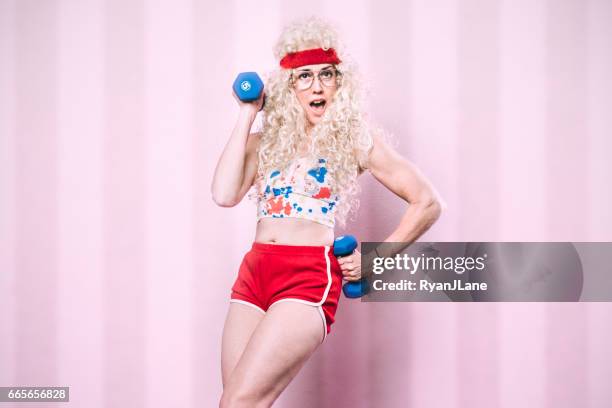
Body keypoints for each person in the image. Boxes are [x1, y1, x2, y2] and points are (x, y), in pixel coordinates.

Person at [212, 16, 443, 408]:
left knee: (238, 403)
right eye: (304, 77)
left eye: (327, 74)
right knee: (238, 401)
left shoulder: (352, 139)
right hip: (254, 274)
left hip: (306, 278)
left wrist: (374, 260)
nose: (317, 85)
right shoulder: (265, 142)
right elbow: (223, 194)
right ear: (288, 88)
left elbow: (427, 201)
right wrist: (248, 113)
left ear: (340, 82)